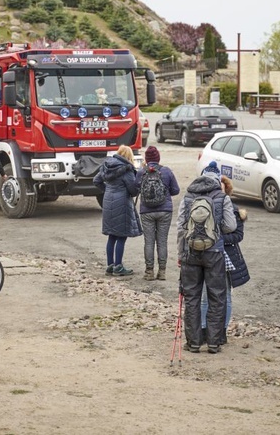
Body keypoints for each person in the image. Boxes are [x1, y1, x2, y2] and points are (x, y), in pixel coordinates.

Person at [177, 161, 236, 354]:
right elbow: (230, 226)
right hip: (214, 253)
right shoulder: (222, 197)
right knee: (216, 296)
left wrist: (180, 253)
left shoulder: (187, 197)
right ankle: (214, 342)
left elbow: (180, 228)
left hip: (190, 252)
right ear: (217, 179)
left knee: (192, 298)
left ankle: (193, 342)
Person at [200, 175, 250, 344]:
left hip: (227, 258)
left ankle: (222, 331)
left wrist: (218, 239)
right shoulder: (204, 208)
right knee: (206, 296)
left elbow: (238, 236)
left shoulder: (234, 210)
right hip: (209, 255)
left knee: (226, 296)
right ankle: (204, 330)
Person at [93, 145, 141, 277]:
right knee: (121, 235)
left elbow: (96, 180)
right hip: (122, 203)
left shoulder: (107, 165)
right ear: (129, 156)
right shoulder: (127, 170)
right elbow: (133, 190)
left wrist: (107, 190)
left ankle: (110, 265)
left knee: (112, 235)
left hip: (108, 202)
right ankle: (118, 266)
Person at [135, 145, 180, 281]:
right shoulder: (166, 171)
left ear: (147, 159)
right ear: (158, 158)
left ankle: (149, 272)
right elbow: (176, 190)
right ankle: (162, 272)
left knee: (149, 242)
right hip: (164, 211)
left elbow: (135, 187)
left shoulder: (142, 172)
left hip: (146, 211)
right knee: (162, 241)